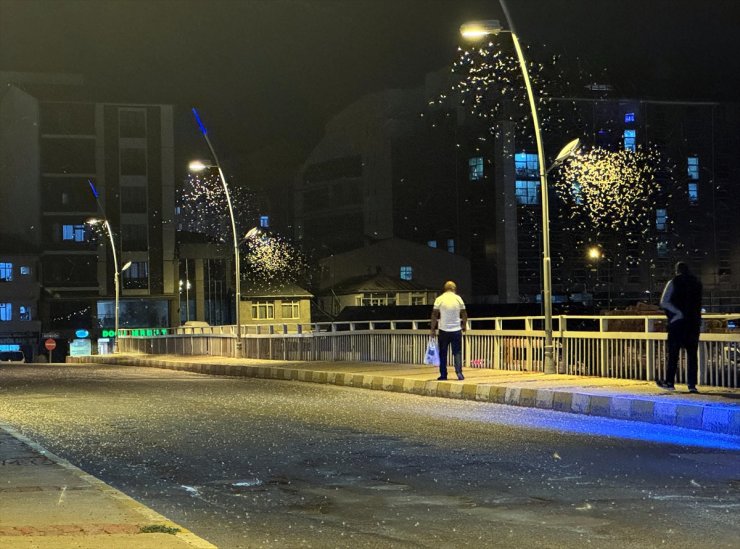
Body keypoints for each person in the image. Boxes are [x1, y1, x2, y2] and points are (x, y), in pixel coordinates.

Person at [657, 261, 703, 393]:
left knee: (673, 353)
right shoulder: (697, 283)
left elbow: (664, 302)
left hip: (678, 322)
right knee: (692, 354)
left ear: (677, 270)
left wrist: (677, 313)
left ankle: (670, 382)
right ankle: (692, 385)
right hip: (693, 322)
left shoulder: (673, 282)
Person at [430, 281, 468, 380]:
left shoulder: (439, 299)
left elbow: (434, 314)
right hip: (456, 330)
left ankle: (443, 374)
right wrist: (464, 325)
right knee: (457, 352)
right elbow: (464, 313)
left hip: (443, 330)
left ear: (445, 289)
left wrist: (433, 329)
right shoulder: (458, 298)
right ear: (454, 288)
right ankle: (459, 373)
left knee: (443, 353)